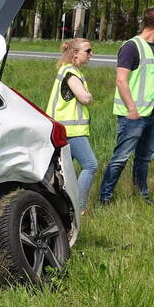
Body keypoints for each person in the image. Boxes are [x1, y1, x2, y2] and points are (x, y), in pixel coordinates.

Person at [97, 7, 154, 205]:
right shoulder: (131, 47)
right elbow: (121, 80)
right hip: (133, 115)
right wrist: (132, 109)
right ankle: (105, 198)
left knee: (144, 158)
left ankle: (141, 196)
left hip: (153, 113)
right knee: (120, 158)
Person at [46, 38, 97, 212]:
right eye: (87, 51)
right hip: (72, 130)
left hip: (62, 129)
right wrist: (89, 96)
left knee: (61, 172)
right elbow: (84, 97)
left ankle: (57, 206)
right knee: (90, 165)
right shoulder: (71, 73)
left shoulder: (67, 70)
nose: (91, 54)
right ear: (75, 53)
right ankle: (78, 207)